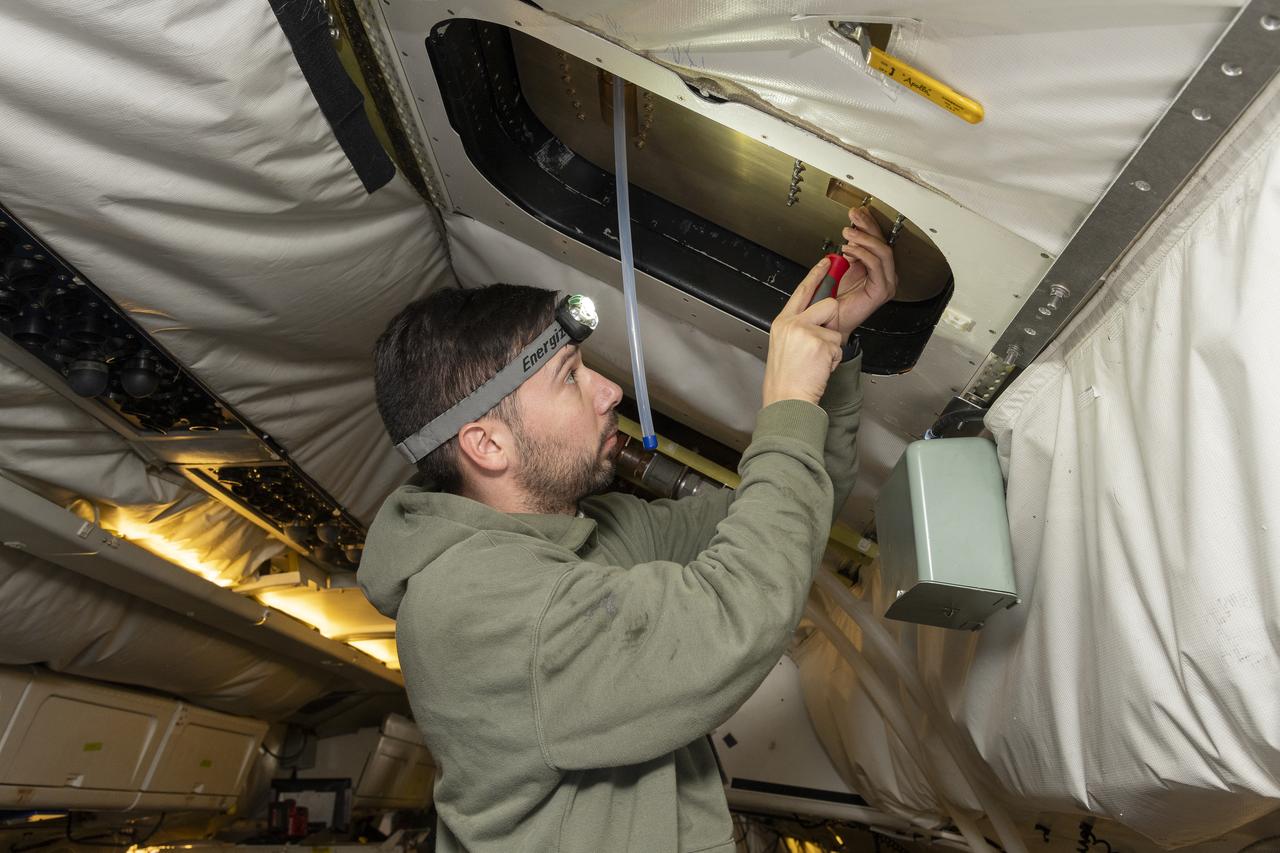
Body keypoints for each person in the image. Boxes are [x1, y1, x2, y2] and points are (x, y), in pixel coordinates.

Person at [359, 206, 897, 852]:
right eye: (569, 379)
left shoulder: (584, 533)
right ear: (488, 444)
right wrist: (784, 405)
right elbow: (733, 617)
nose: (608, 390)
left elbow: (794, 504)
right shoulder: (475, 610)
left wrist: (830, 355)